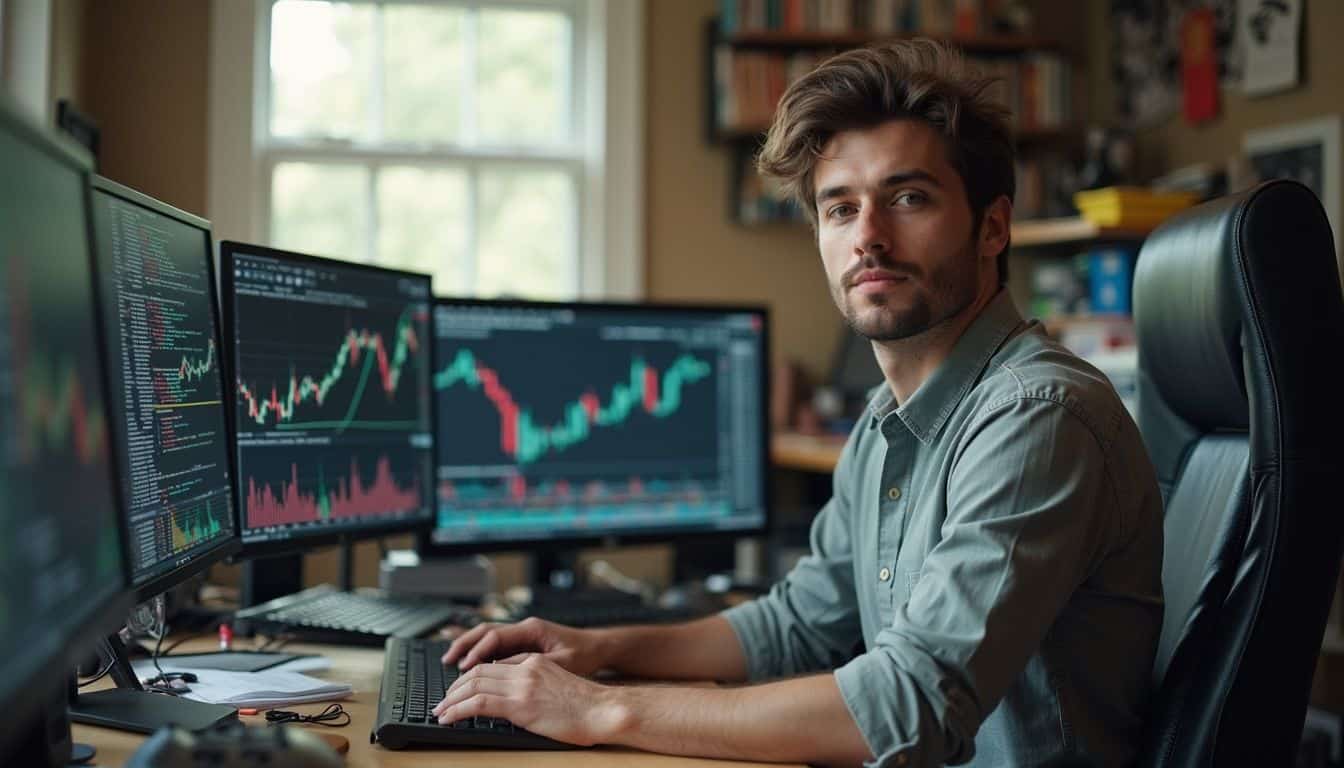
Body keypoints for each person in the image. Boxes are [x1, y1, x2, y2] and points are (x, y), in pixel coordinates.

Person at [431, 40, 1164, 768]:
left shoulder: (1038, 416)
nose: (868, 238)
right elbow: (794, 626)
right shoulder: (886, 420)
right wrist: (599, 650)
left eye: (908, 198)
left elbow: (907, 705)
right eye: (840, 208)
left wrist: (598, 707)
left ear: (993, 227)